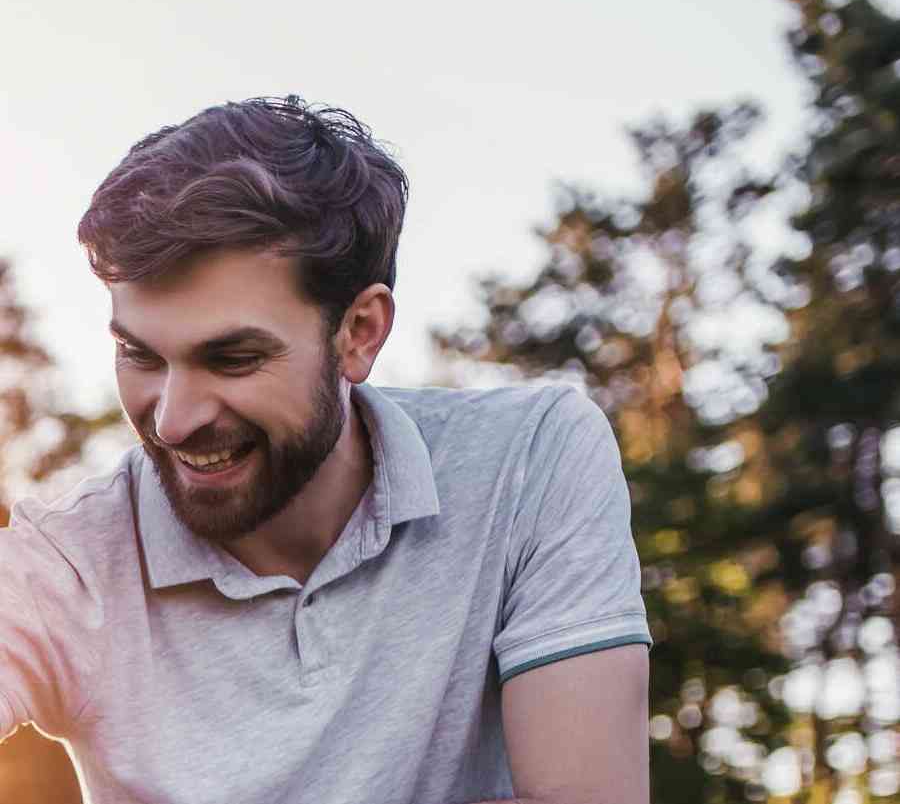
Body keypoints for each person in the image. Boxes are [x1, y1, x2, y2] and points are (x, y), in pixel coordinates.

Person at [0, 96, 652, 804]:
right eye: (139, 354)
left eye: (234, 358)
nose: (175, 420)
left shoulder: (530, 459)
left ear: (360, 333)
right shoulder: (64, 560)